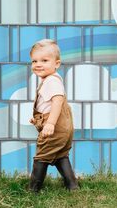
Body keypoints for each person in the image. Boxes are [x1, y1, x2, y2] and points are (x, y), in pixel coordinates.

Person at [28, 39, 78, 192]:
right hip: (62, 126)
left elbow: (57, 102)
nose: (38, 64)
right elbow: (47, 105)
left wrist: (49, 124)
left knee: (42, 156)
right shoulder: (50, 80)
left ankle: (33, 189)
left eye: (44, 60)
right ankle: (72, 185)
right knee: (60, 155)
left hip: (56, 126)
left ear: (57, 64)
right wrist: (38, 119)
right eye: (34, 61)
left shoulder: (52, 81)